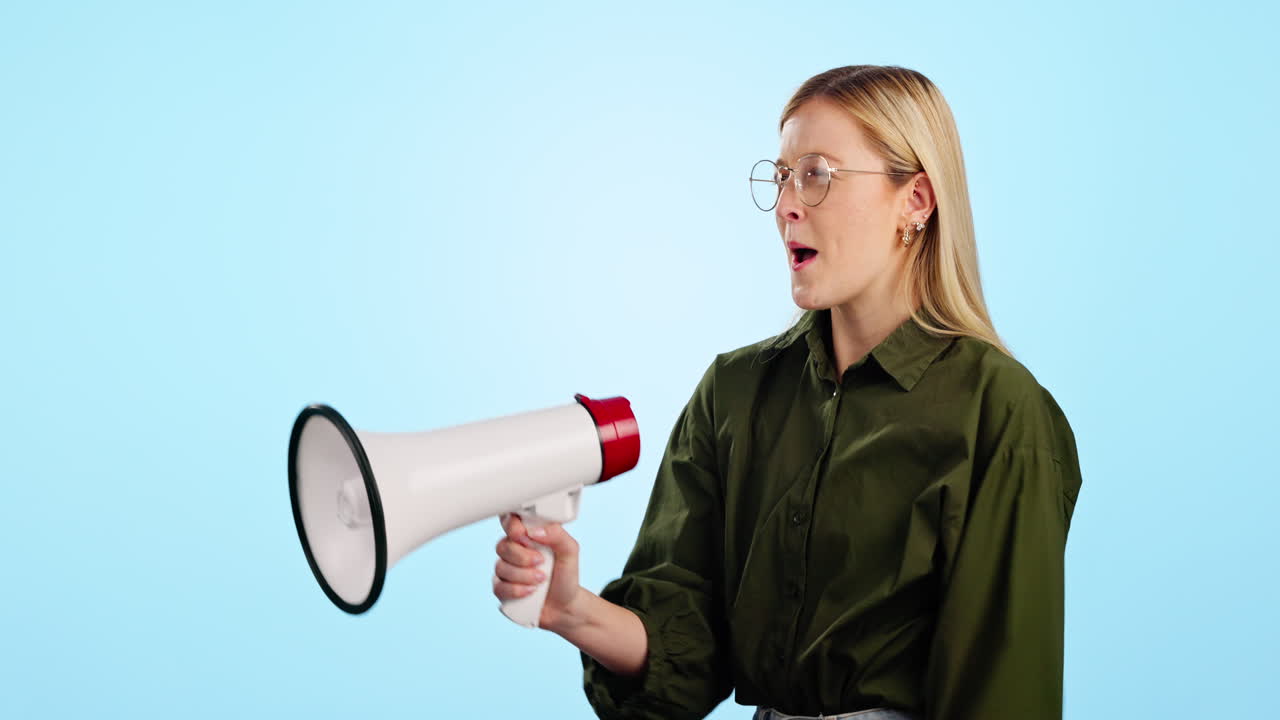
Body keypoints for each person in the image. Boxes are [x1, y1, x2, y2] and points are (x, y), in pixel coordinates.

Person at [492, 64, 1083, 720]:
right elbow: (687, 655)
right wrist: (572, 610)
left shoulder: (999, 413)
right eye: (781, 177)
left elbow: (1002, 692)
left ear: (915, 201)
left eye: (817, 174)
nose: (786, 206)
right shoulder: (734, 393)